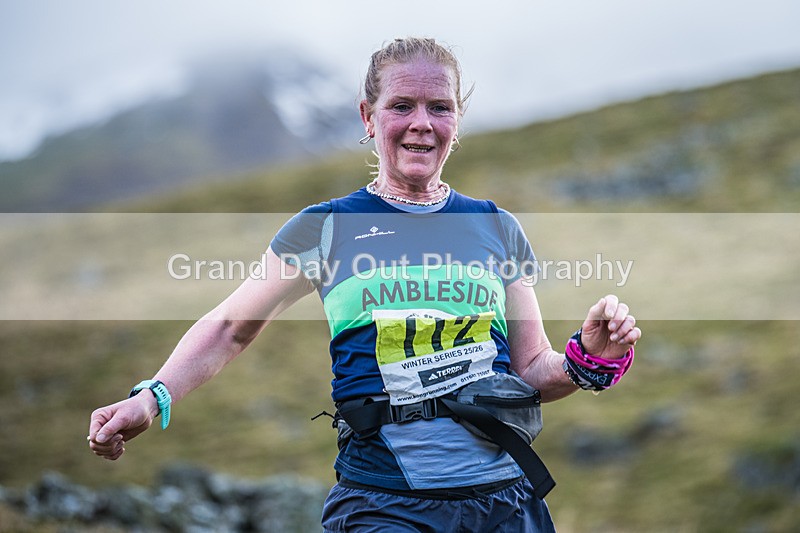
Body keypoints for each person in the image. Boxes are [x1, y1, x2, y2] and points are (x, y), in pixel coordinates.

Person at [88, 37, 641, 532]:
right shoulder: (325, 226)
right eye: (401, 105)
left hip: (504, 501)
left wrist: (589, 358)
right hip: (385, 504)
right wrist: (151, 397)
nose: (421, 122)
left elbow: (530, 371)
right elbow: (231, 328)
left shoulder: (495, 226)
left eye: (439, 107)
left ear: (457, 120)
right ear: (368, 117)